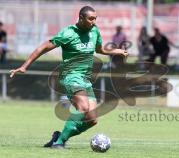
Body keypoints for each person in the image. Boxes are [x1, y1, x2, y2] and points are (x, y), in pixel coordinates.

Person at [10, 6, 128, 149]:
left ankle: (59, 138)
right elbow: (43, 47)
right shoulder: (68, 33)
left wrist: (116, 51)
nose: (94, 21)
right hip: (70, 77)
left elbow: (99, 49)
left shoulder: (94, 30)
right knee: (83, 107)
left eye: (95, 18)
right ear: (81, 17)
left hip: (85, 80)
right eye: (91, 18)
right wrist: (24, 66)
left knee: (92, 120)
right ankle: (59, 144)